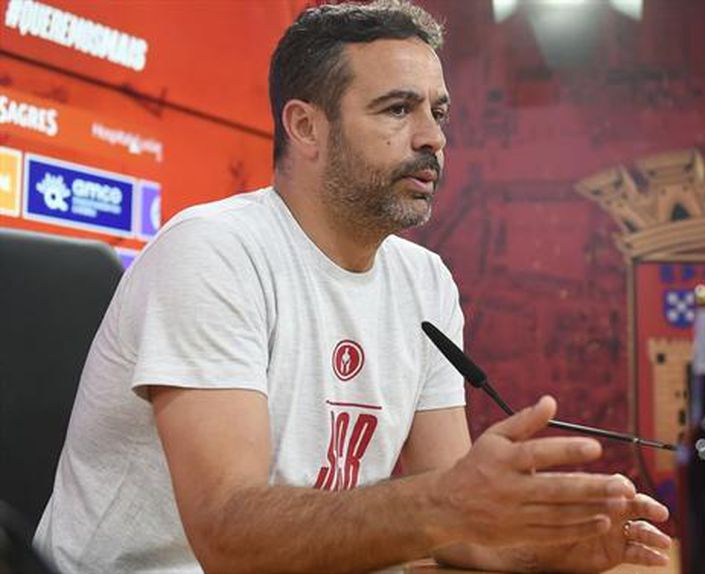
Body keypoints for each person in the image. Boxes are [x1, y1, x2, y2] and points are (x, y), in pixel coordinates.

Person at [33, 1, 671, 572]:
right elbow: (228, 538)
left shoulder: (426, 282)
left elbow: (458, 531)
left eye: (438, 112)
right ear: (306, 127)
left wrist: (550, 551)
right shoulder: (213, 251)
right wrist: (443, 504)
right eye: (397, 109)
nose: (432, 138)